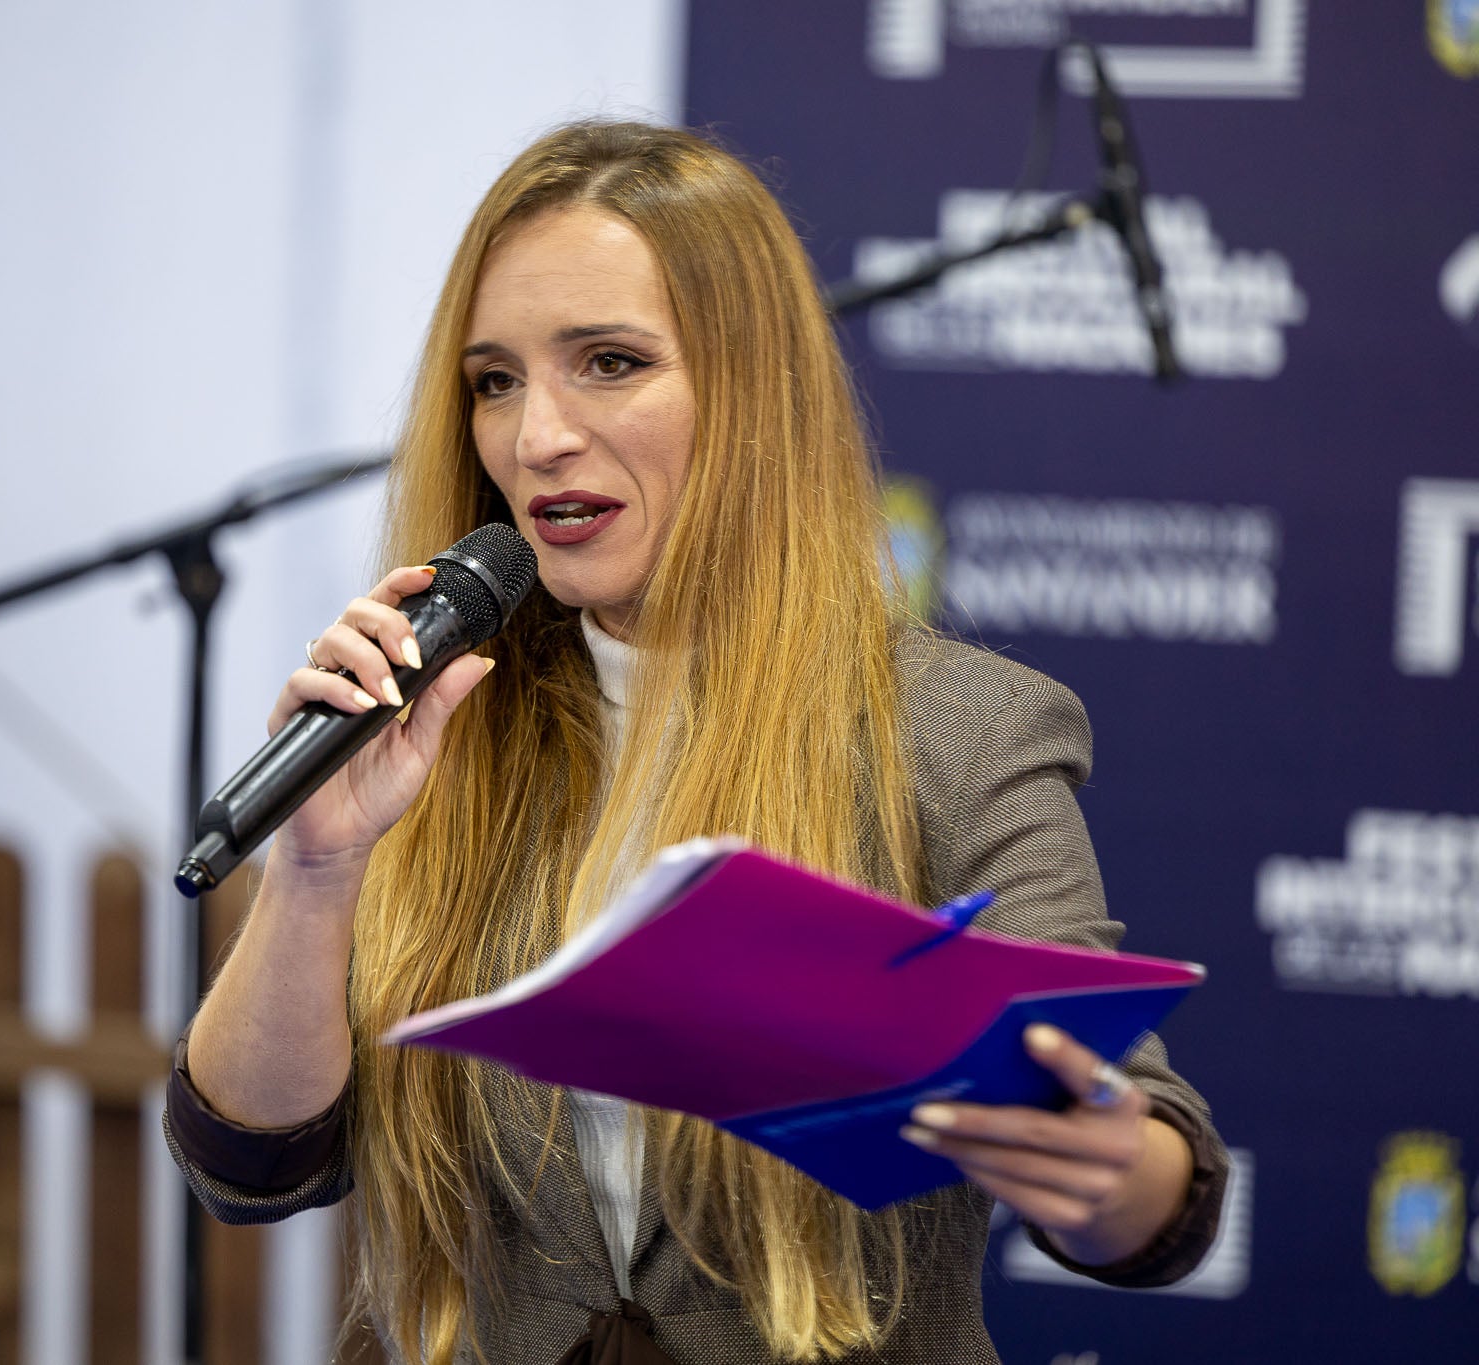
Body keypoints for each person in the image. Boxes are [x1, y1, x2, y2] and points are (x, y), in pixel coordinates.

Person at [165, 121, 1226, 1364]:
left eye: (607, 362)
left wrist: (1105, 1168)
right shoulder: (443, 715)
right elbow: (248, 1166)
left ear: (749, 387)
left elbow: (1150, 1172)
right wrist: (316, 867)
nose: (534, 436)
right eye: (493, 379)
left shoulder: (958, 729)